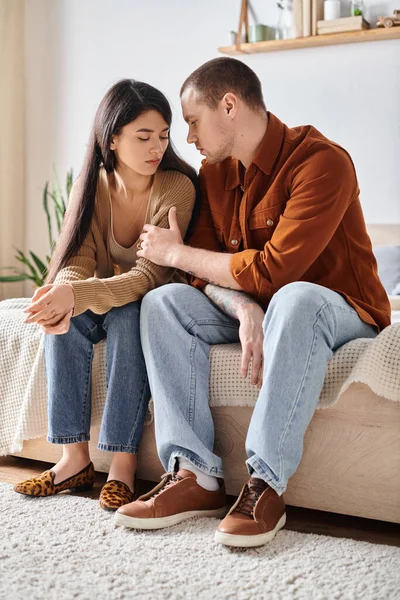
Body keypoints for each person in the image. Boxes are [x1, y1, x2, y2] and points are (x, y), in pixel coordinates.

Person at [113, 58, 391, 546]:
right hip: (259, 307)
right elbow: (197, 273)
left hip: (342, 311)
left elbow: (273, 272)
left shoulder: (322, 162)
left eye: (193, 121)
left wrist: (177, 251)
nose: (190, 137)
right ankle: (194, 476)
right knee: (165, 302)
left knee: (295, 298)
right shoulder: (214, 174)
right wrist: (244, 309)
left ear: (229, 106)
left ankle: (265, 482)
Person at [13, 79, 197, 511]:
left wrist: (78, 292)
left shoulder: (176, 187)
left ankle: (123, 463)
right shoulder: (94, 184)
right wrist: (65, 292)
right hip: (105, 295)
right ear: (112, 138)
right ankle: (73, 459)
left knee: (130, 315)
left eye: (163, 135)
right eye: (143, 136)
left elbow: (150, 276)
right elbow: (78, 257)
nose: (157, 146)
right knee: (64, 317)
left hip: (150, 302)